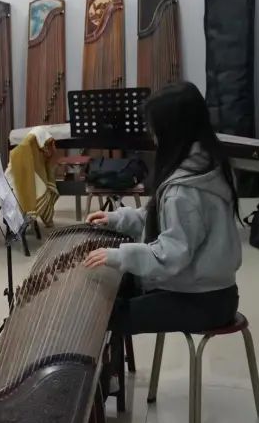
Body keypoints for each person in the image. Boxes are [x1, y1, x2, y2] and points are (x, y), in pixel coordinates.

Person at [83, 82, 241, 334]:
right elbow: (162, 217)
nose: (153, 136)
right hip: (214, 290)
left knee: (105, 313)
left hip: (202, 300)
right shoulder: (209, 162)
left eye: (155, 130)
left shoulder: (184, 191)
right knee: (114, 288)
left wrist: (120, 255)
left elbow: (172, 254)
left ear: (172, 131)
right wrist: (118, 218)